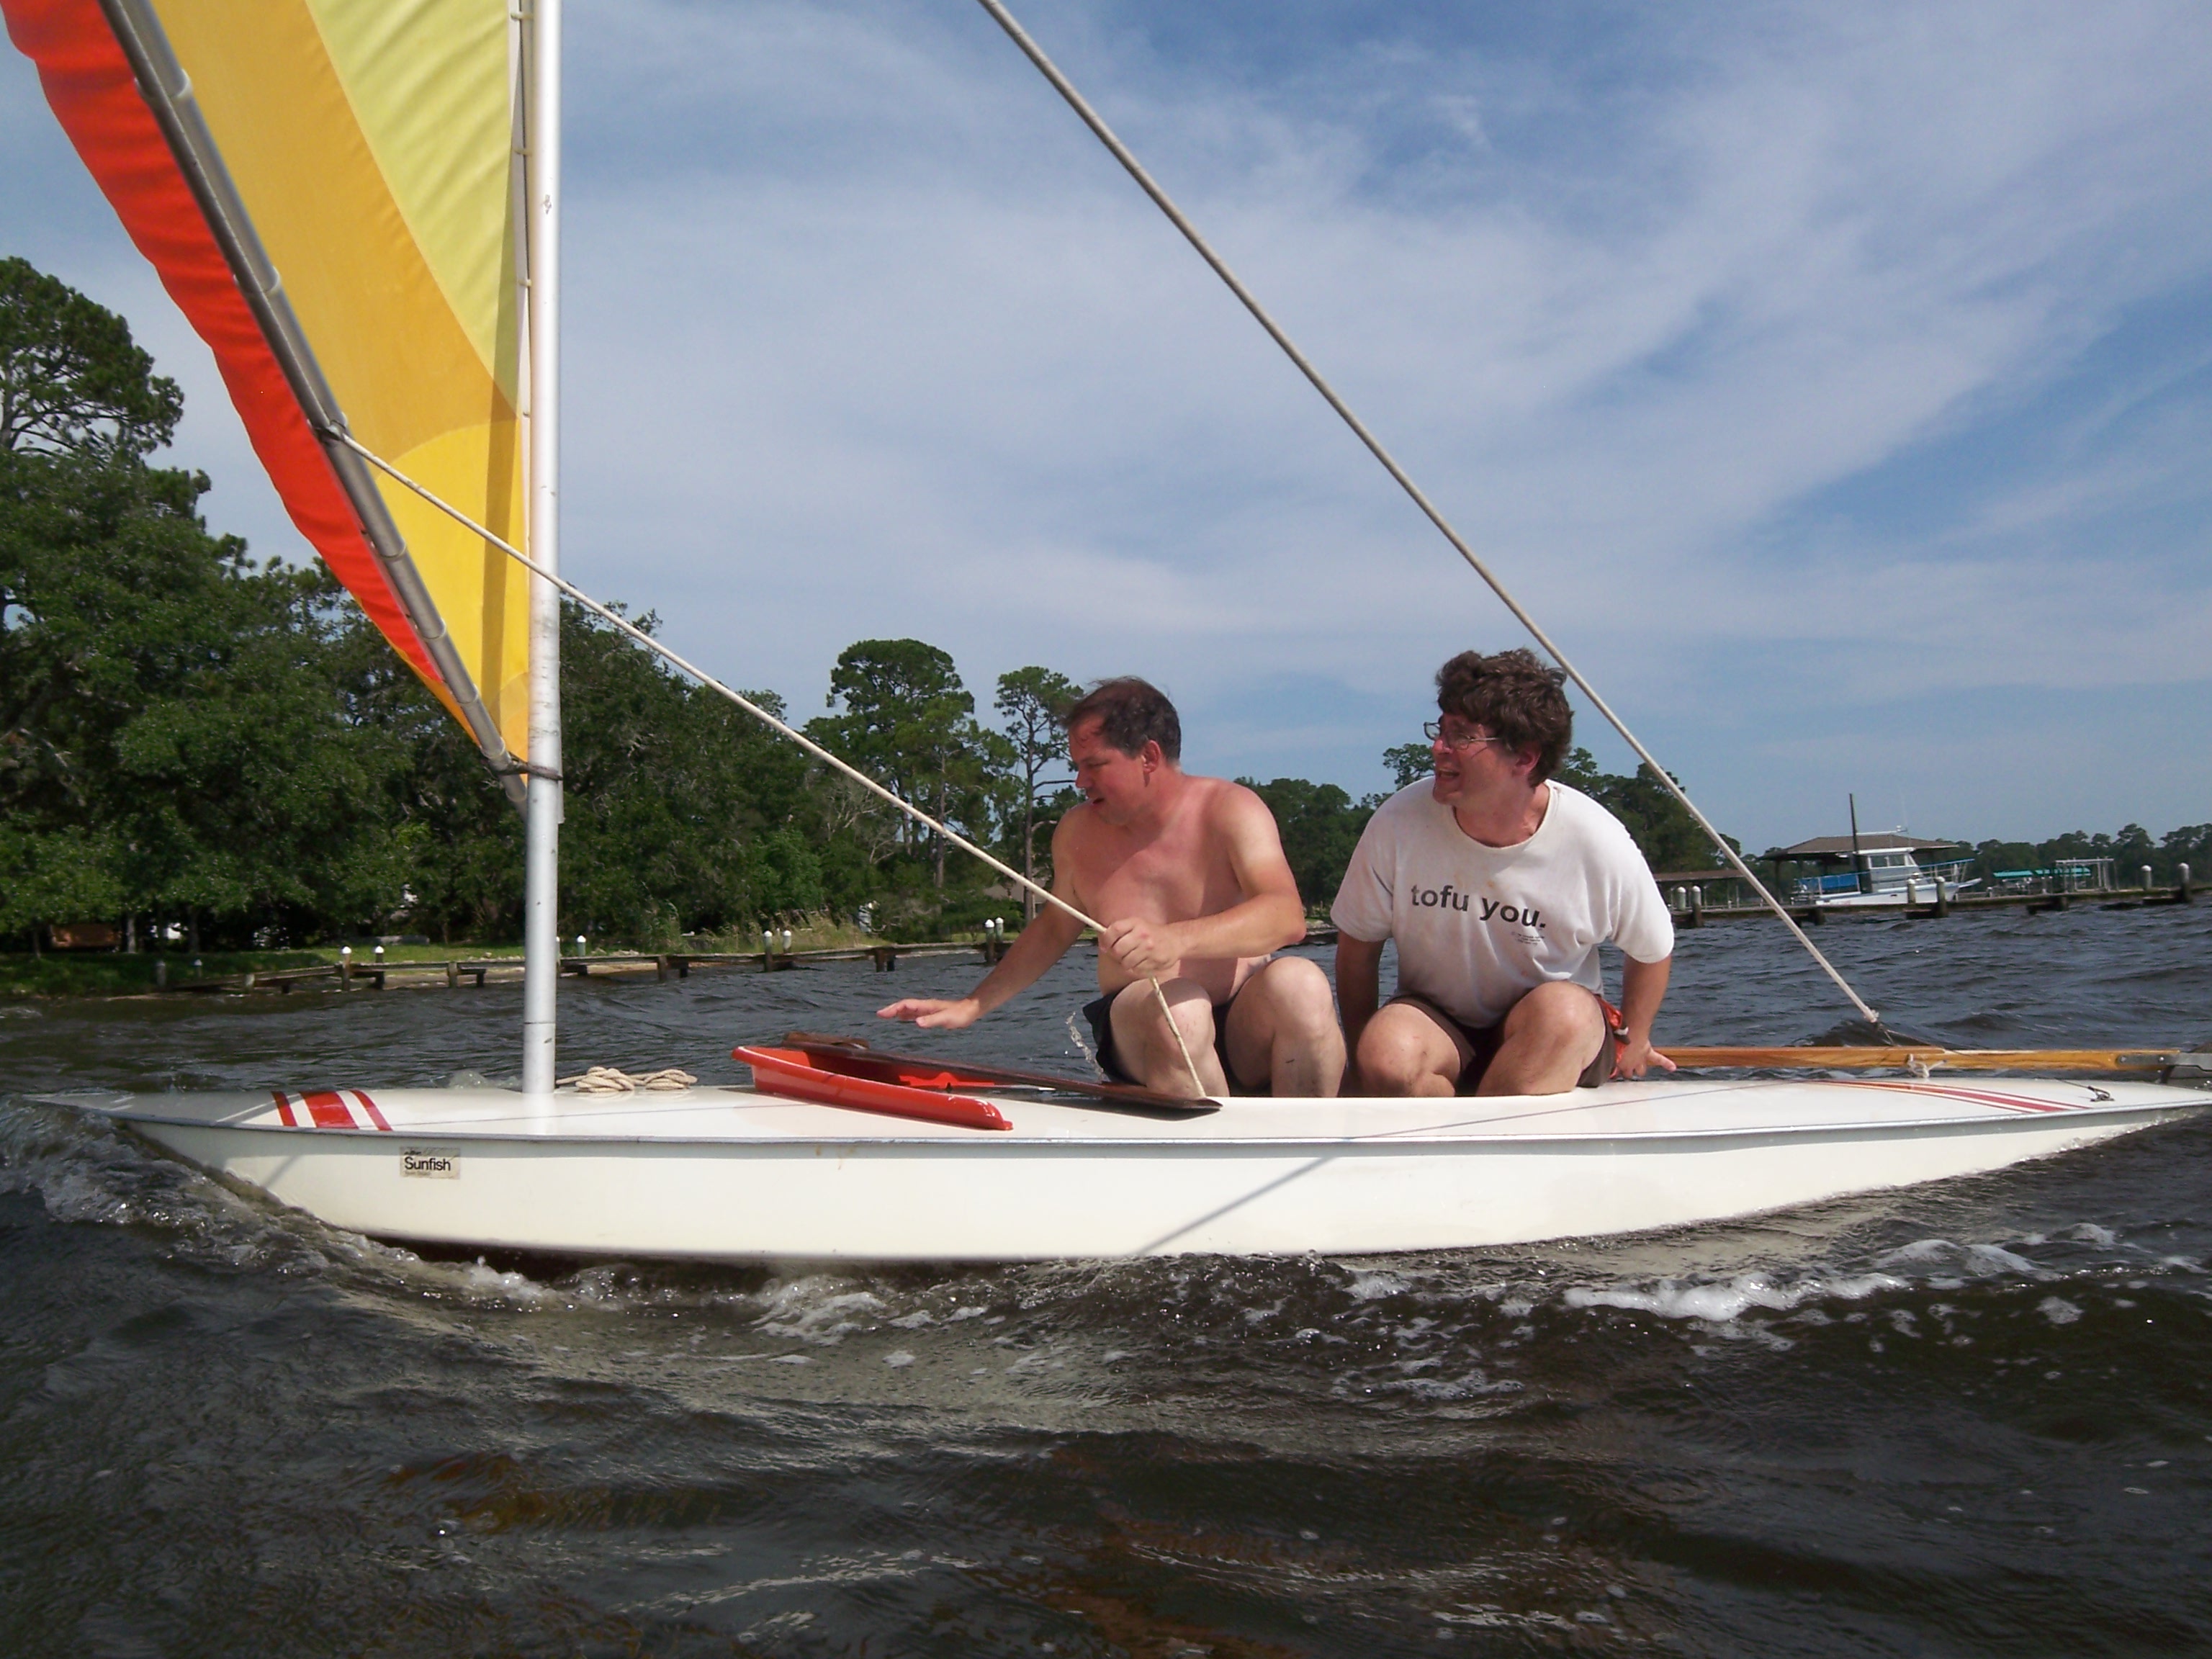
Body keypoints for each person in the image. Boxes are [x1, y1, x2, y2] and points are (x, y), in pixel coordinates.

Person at [878, 678, 1345, 1098]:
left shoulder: (1232, 810)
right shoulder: (1077, 834)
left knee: (1301, 983)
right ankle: (1214, 1164)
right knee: (1182, 1010)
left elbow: (1286, 917)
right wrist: (973, 1004)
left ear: (1149, 756)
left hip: (1246, 1025)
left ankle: (1310, 1160)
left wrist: (1175, 939)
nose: (1080, 782)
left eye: (1095, 765)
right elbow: (1054, 927)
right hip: (1149, 1026)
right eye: (1077, 766)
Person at [1332, 648, 1676, 1097]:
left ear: (1525, 759)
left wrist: (1635, 1038)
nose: (1439, 748)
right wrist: (1361, 1058)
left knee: (1565, 1019)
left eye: (1462, 737)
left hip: (1552, 1023)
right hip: (1439, 1022)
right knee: (1388, 1054)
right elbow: (1358, 950)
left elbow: (1652, 949)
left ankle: (1487, 1129)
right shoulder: (1398, 822)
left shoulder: (1596, 840)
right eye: (1441, 730)